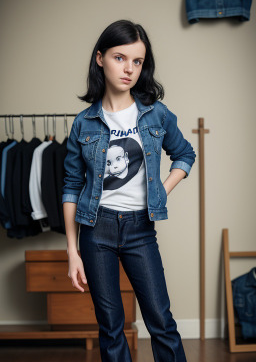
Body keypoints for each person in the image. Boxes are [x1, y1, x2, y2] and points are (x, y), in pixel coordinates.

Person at [62, 19, 196, 362]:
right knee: (110, 327)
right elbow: (72, 186)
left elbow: (184, 154)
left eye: (137, 61)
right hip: (96, 232)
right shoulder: (84, 123)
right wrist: (72, 251)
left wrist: (162, 191)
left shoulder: (155, 114)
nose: (129, 69)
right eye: (120, 58)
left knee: (161, 323)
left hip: (140, 229)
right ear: (100, 58)